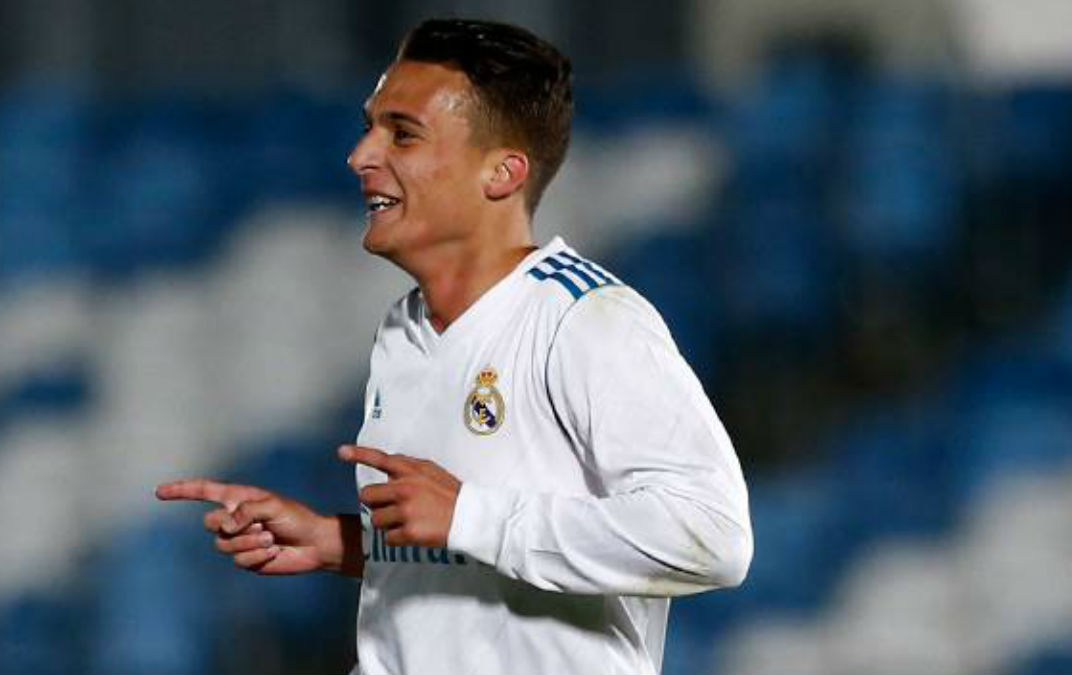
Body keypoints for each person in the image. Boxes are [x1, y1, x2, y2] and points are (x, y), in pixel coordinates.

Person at [157, 18, 752, 674]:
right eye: (369, 126)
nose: (361, 157)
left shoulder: (587, 320)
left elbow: (713, 536)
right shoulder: (402, 332)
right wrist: (341, 542)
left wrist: (473, 514)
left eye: (402, 134)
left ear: (502, 172)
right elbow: (464, 546)